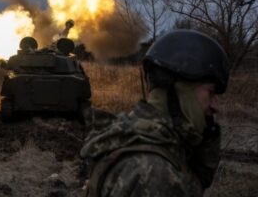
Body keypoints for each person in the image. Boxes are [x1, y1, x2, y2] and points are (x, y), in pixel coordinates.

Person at [80, 29, 230, 197]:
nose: (215, 105)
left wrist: (205, 142)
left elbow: (195, 183)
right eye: (210, 92)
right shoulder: (154, 175)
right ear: (179, 91)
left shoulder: (134, 135)